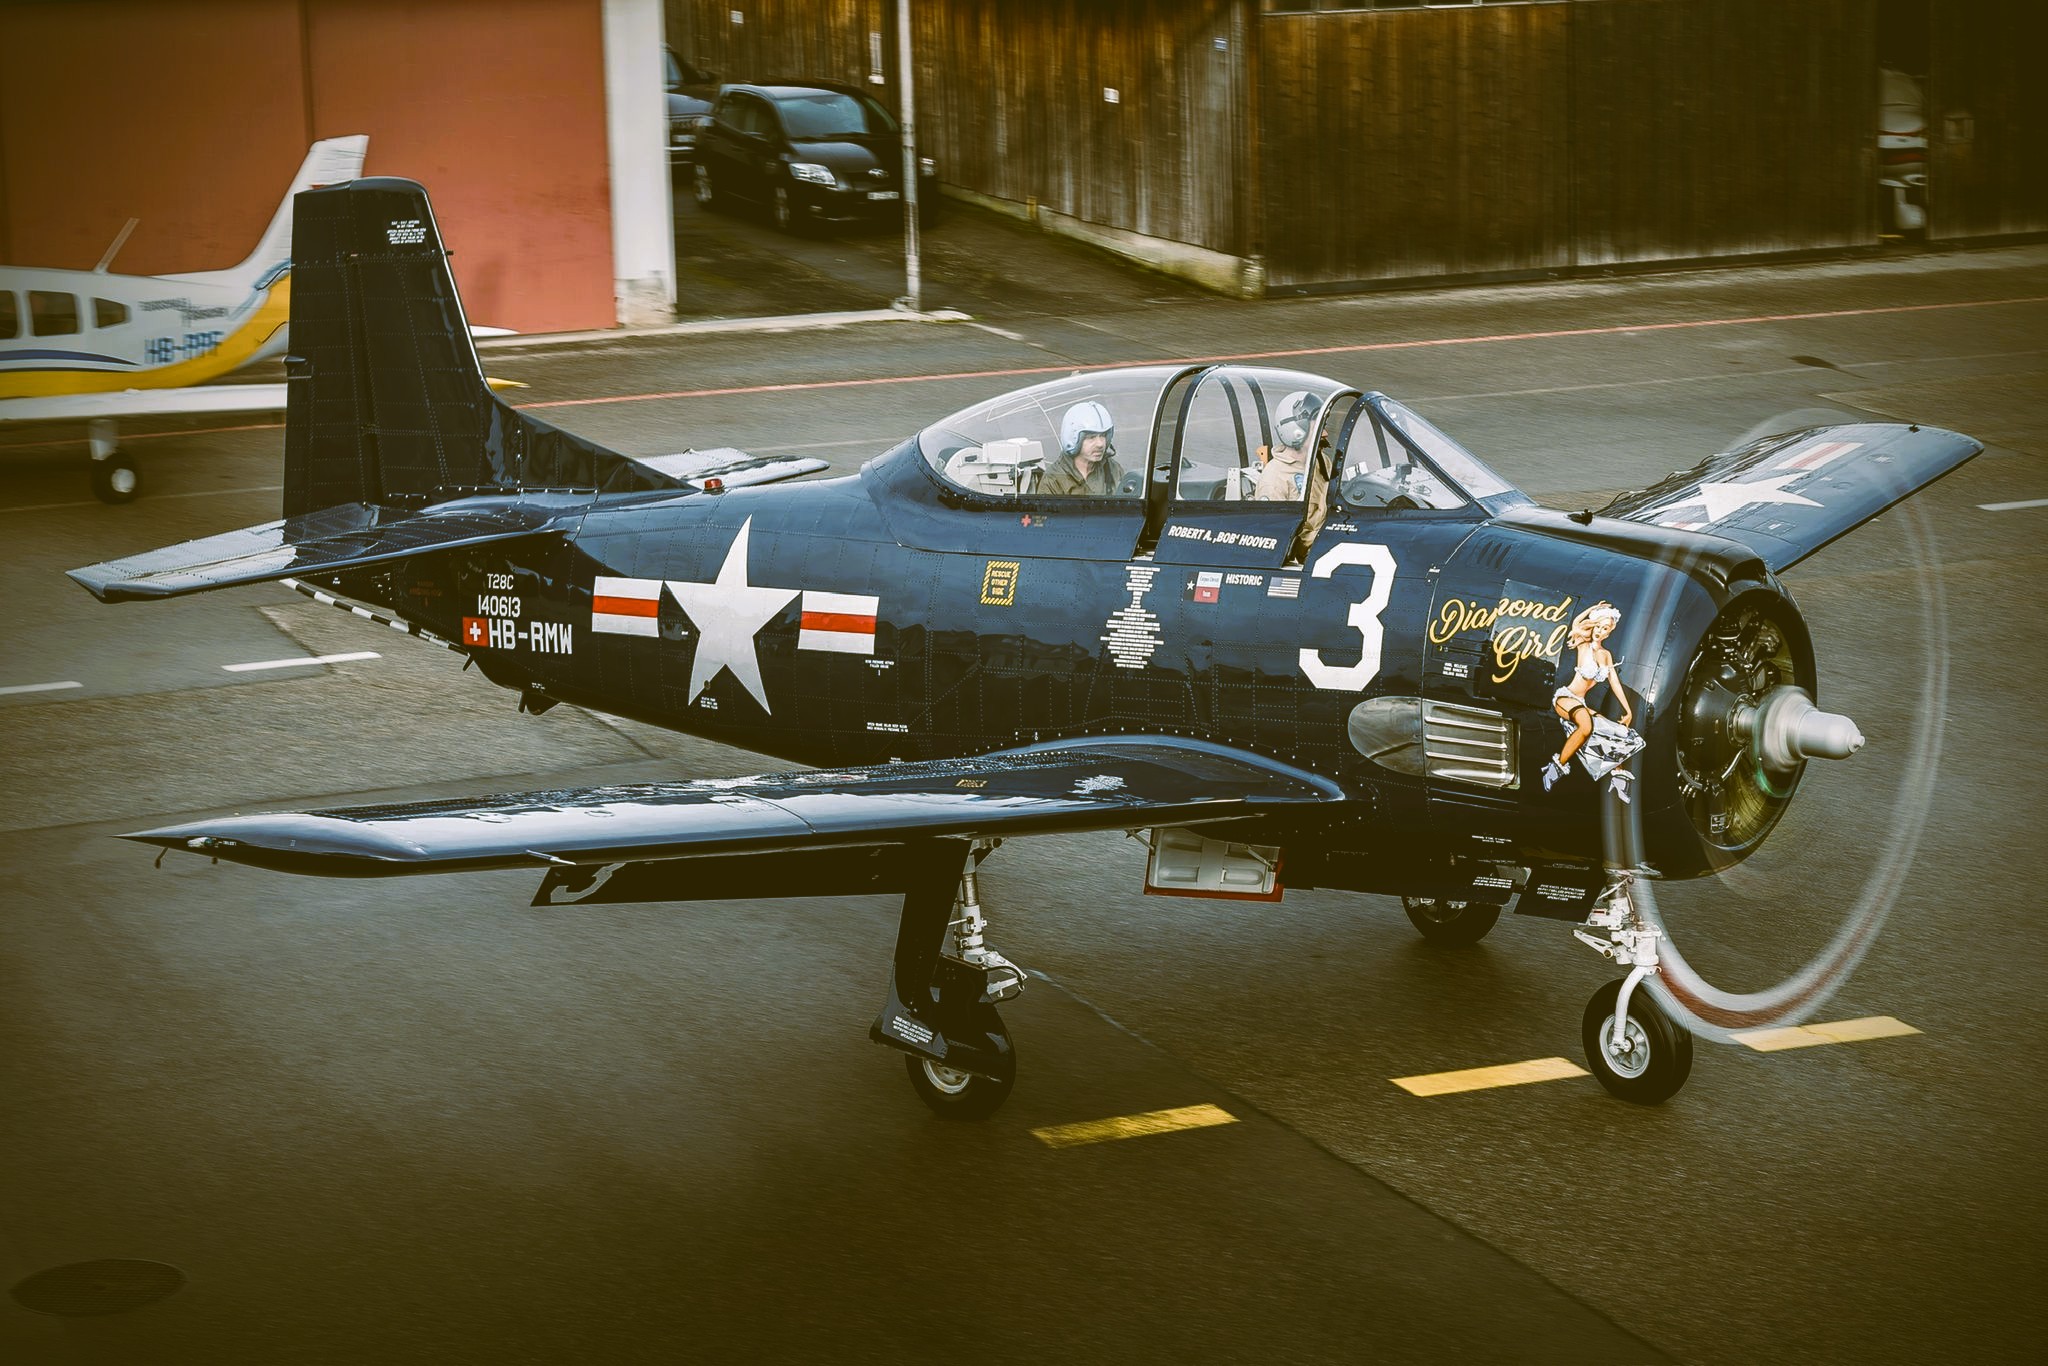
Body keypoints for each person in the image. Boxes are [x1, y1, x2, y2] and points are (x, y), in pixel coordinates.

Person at [1542, 602, 1645, 802]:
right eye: (1598, 626)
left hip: (1580, 702)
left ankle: (1618, 780)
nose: (1600, 631)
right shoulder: (1584, 644)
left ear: (1609, 632)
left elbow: (1614, 682)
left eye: (1605, 628)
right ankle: (1554, 769)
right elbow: (1576, 625)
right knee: (1586, 725)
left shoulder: (1605, 655)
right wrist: (1592, 610)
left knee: (1617, 732)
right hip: (1566, 698)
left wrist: (1628, 710)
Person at [1041, 400, 1127, 497]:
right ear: (1073, 439)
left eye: (1103, 435)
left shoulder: (1112, 469)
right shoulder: (1054, 479)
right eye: (1091, 437)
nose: (1100, 444)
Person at [1256, 390, 1321, 501]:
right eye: (1318, 429)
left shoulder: (1321, 462)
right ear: (1296, 432)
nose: (1325, 433)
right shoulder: (1274, 479)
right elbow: (1273, 518)